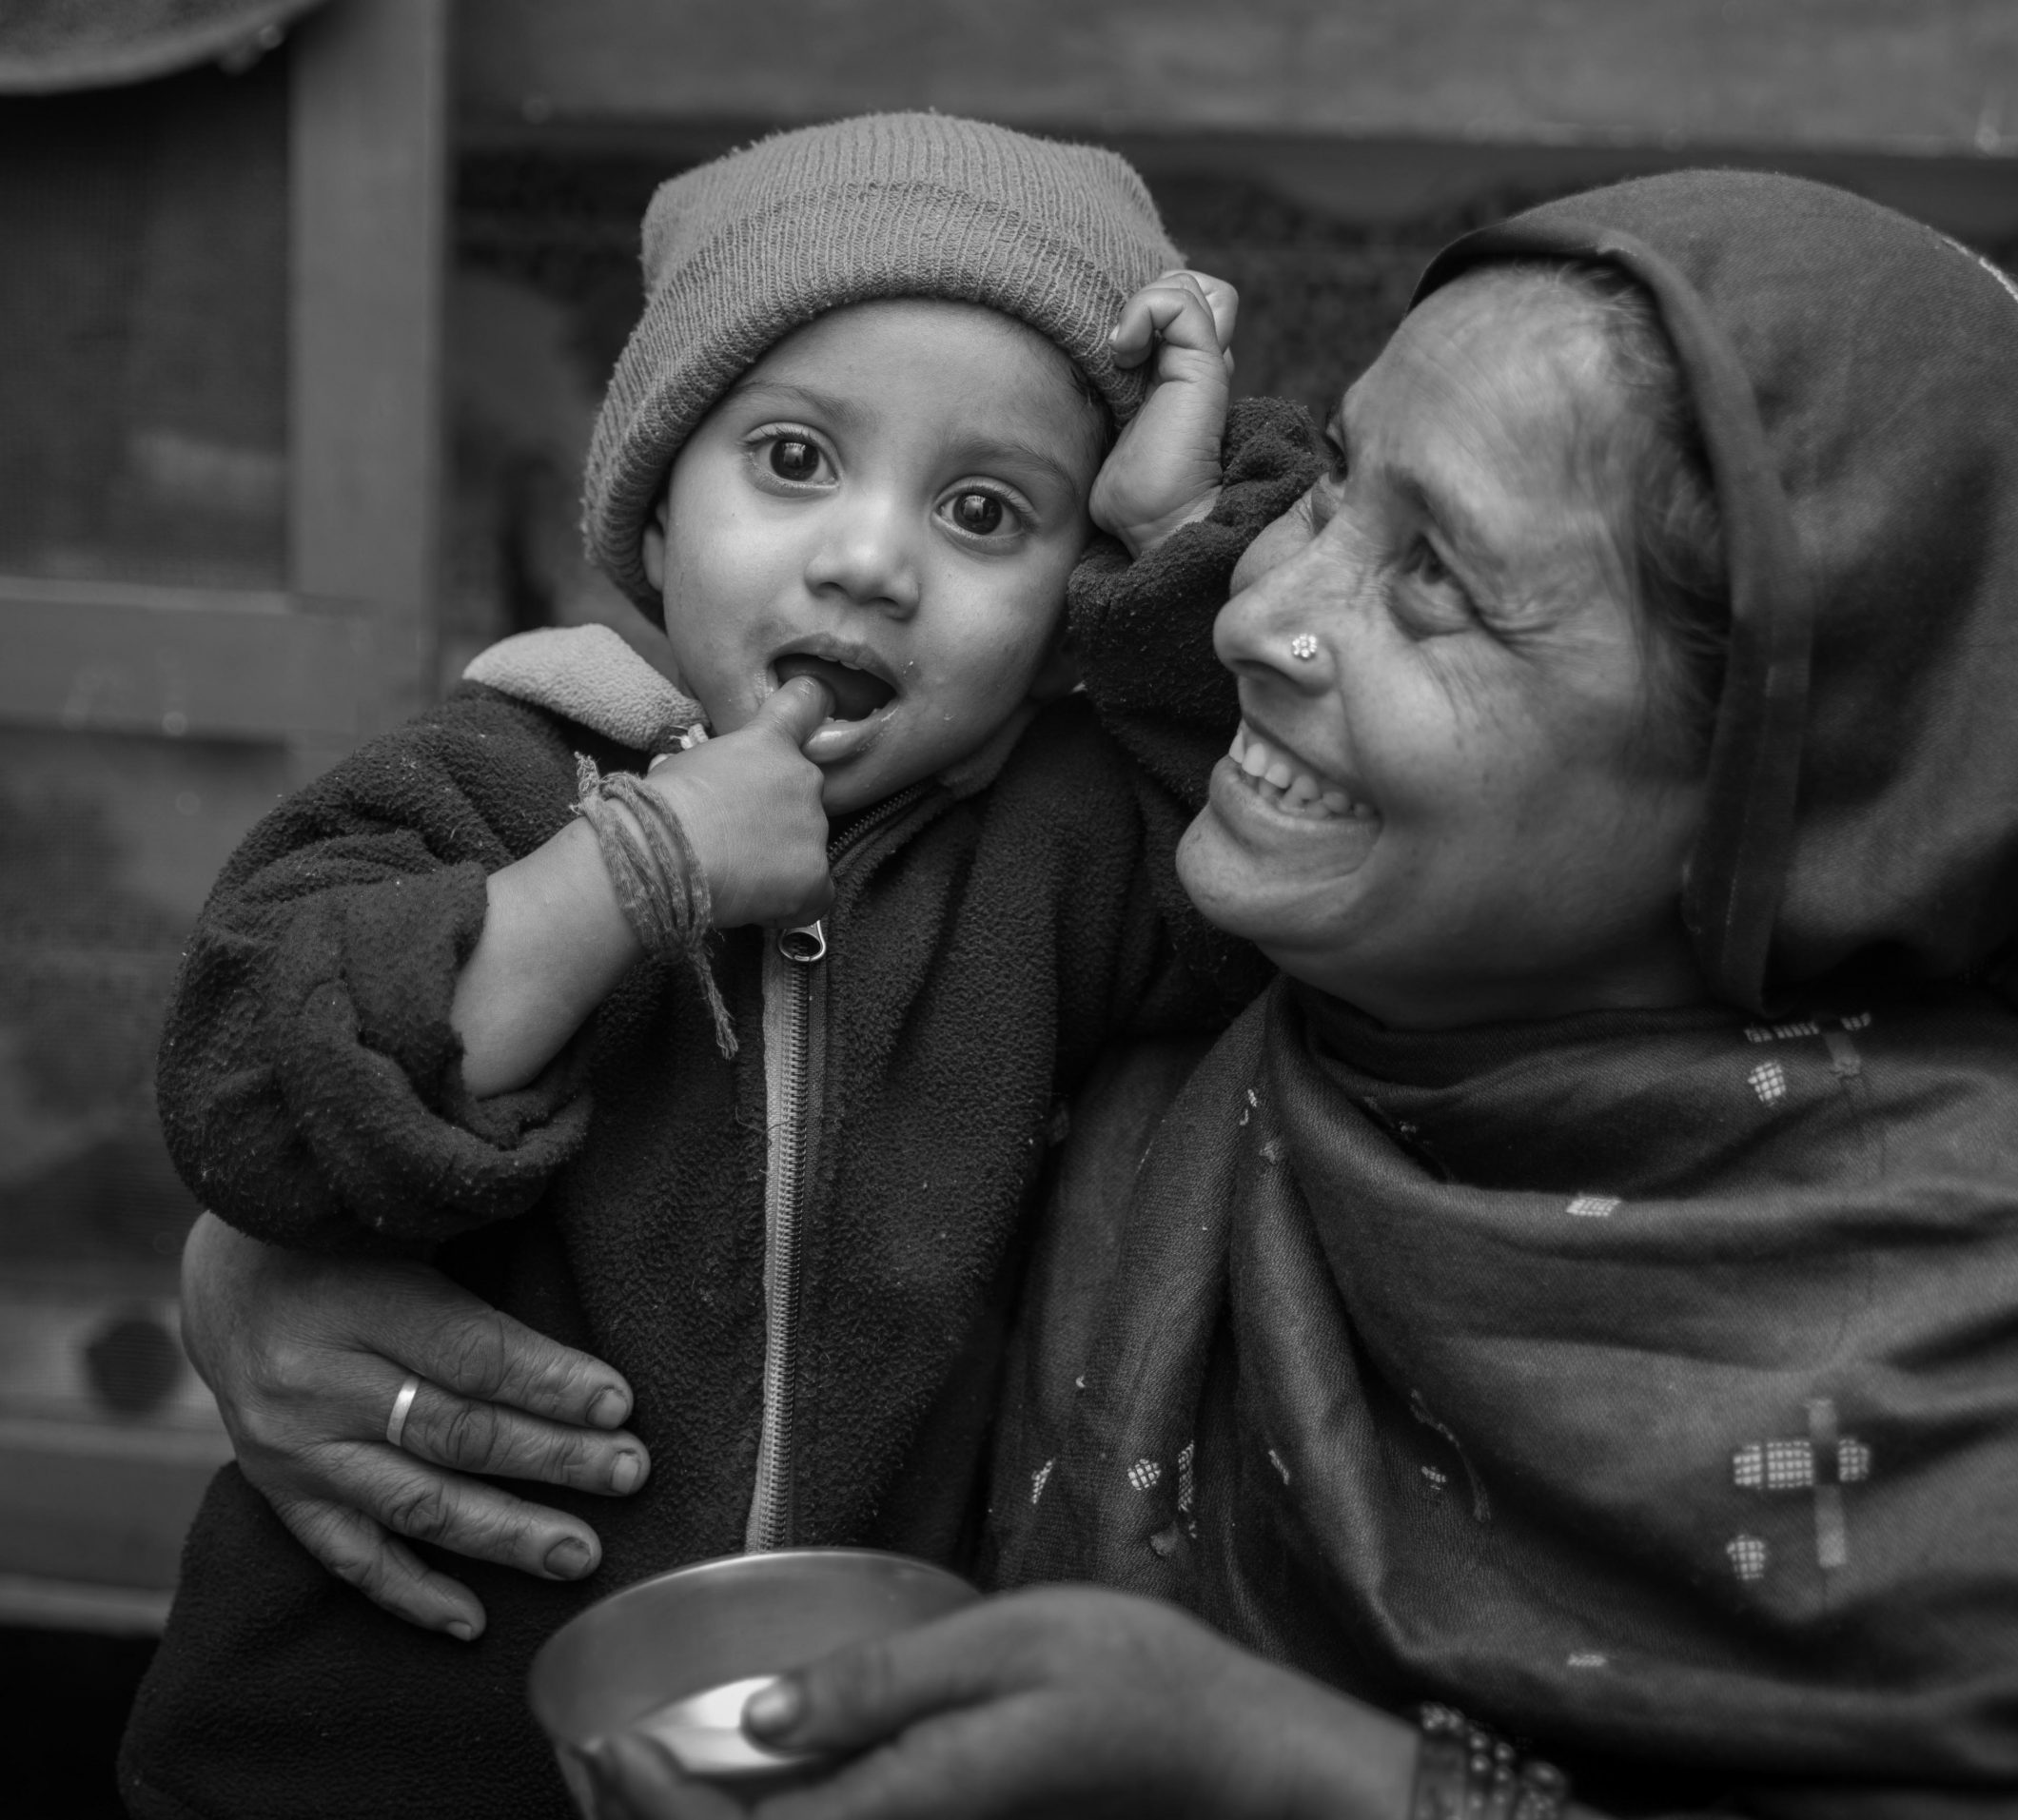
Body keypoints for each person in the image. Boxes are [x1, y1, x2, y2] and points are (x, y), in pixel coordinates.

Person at [568, 172, 2018, 1816]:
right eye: (1332, 498)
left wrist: (1306, 1778)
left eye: (1434, 584)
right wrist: (310, 1263)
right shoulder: (1220, 1007)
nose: (1257, 616)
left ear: (1763, 800)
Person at [118, 112, 1313, 1820]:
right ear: (657, 519)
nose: (870, 558)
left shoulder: (1053, 860)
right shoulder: (489, 784)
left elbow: (1259, 838)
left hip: (810, 1763)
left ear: (1070, 603)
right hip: (351, 1752)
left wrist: (1183, 521)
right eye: (795, 461)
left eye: (987, 511)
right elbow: (249, 1088)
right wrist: (636, 868)